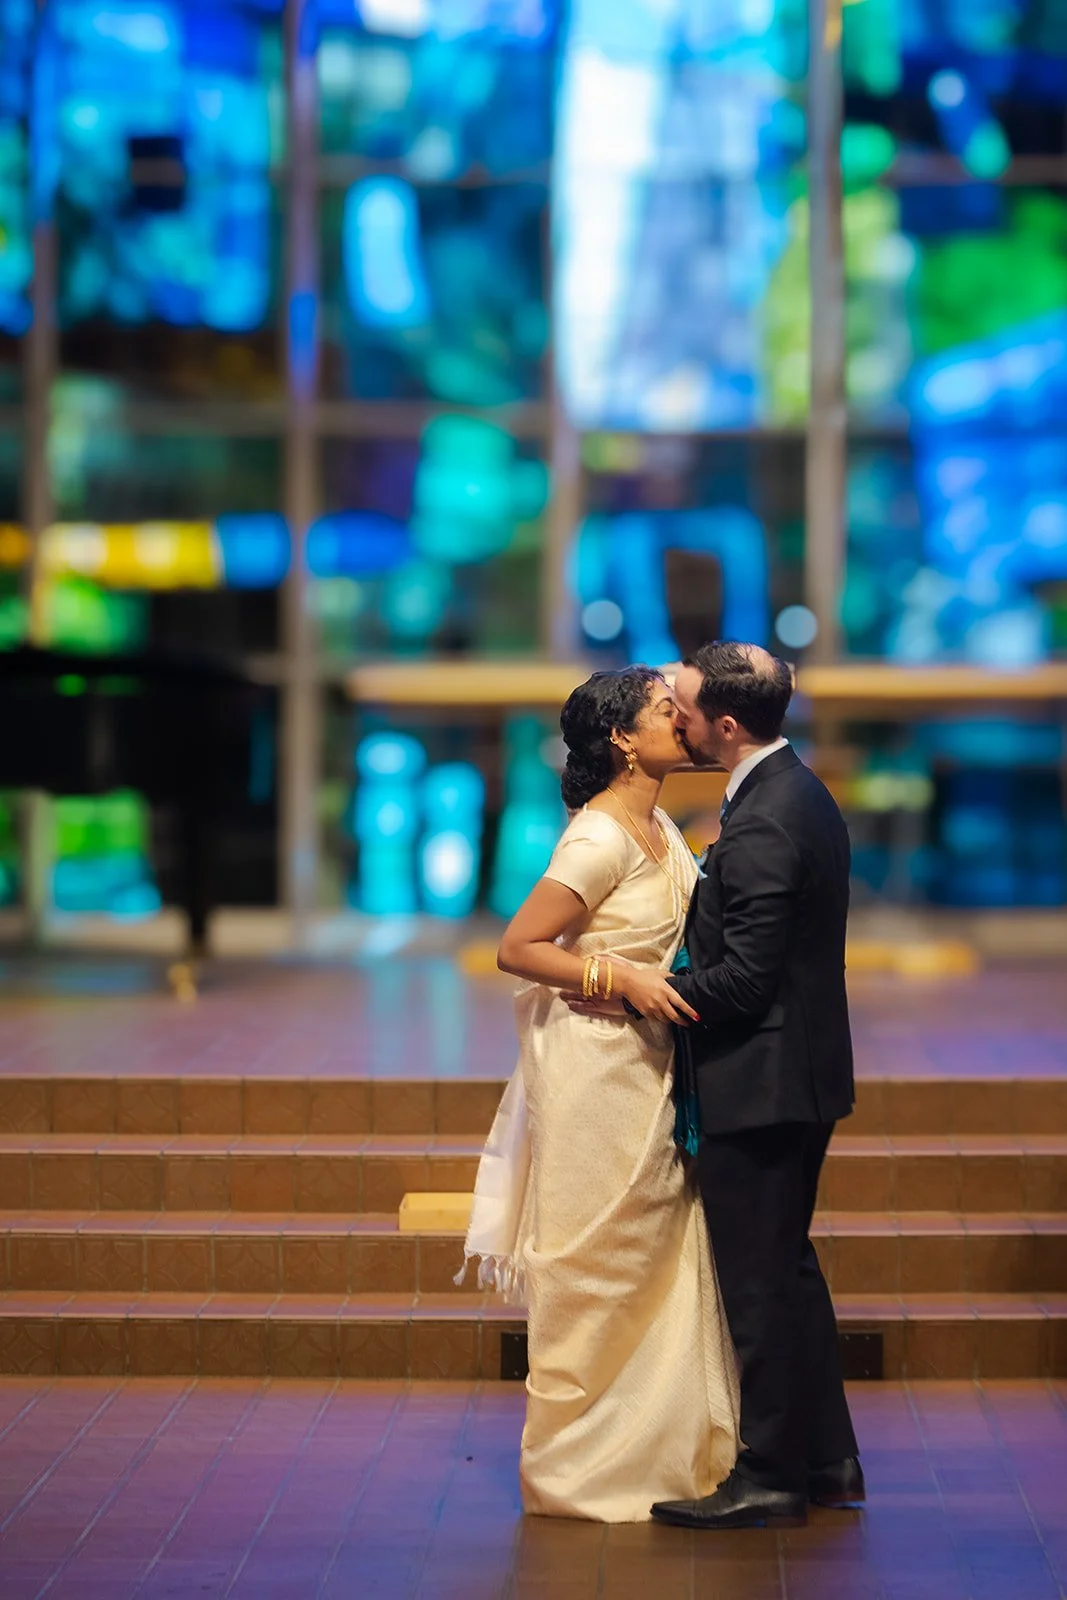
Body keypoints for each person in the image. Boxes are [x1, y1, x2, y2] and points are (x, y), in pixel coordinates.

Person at [459, 666, 739, 1522]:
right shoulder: (598, 838)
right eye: (664, 711)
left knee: (653, 1259)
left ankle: (661, 1452)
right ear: (621, 737)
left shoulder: (653, 821)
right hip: (596, 1070)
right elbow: (518, 946)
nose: (681, 721)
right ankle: (577, 1472)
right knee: (598, 1266)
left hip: (647, 1062)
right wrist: (609, 972)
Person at [648, 640, 862, 1530]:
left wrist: (640, 995)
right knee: (788, 1272)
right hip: (792, 1073)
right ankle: (828, 1459)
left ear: (725, 727)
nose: (675, 715)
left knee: (759, 1285)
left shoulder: (770, 817)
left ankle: (770, 1473)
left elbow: (742, 980)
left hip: (765, 1081)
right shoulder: (787, 791)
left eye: (686, 706)